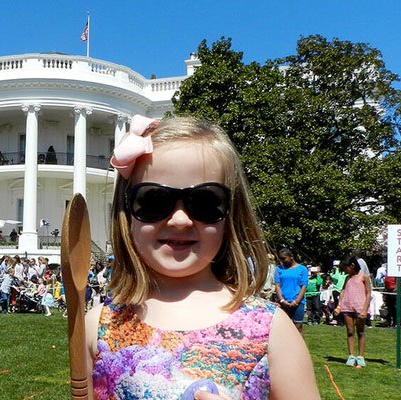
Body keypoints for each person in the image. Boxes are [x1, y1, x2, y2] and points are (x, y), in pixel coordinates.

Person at [86, 115, 319, 399]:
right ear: (126, 213)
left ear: (231, 214)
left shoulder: (271, 329)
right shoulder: (99, 324)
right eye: (153, 201)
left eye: (206, 202)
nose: (180, 220)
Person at [335, 256, 372, 368]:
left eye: (345, 269)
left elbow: (368, 294)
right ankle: (351, 355)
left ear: (352, 265)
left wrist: (365, 309)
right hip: (347, 307)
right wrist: (339, 306)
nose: (344, 271)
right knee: (350, 332)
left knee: (360, 332)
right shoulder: (347, 278)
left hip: (360, 308)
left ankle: (360, 357)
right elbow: (343, 291)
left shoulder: (364, 277)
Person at [274, 248, 308, 332]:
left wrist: (297, 301)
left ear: (291, 257)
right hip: (283, 302)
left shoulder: (302, 269)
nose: (282, 261)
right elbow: (277, 285)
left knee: (298, 327)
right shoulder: (279, 269)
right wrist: (281, 300)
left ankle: (299, 345)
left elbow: (303, 286)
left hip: (297, 302)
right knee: (284, 328)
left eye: (284, 258)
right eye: (281, 258)